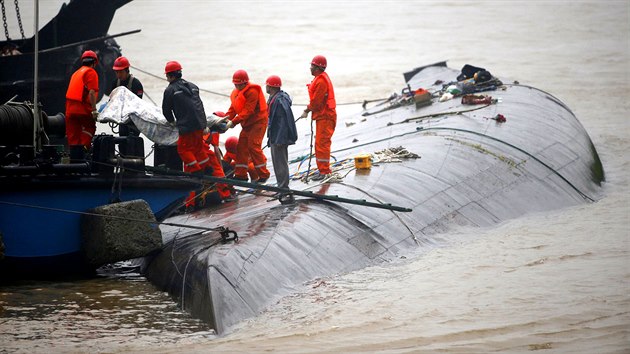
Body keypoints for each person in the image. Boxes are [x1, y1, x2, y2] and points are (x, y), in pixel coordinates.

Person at [161, 60, 210, 175]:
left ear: (170, 75)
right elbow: (199, 106)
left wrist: (172, 122)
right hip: (199, 123)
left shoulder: (170, 90)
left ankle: (197, 170)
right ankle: (207, 168)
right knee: (198, 148)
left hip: (186, 126)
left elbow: (166, 110)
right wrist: (204, 125)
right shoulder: (193, 86)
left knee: (183, 150)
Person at [224, 69, 271, 183]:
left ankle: (264, 174)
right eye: (236, 85)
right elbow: (233, 109)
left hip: (258, 123)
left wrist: (234, 122)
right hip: (247, 124)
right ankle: (241, 175)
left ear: (245, 83)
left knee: (253, 147)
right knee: (241, 147)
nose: (238, 87)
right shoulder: (236, 93)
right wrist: (224, 119)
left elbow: (248, 110)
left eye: (239, 85)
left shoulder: (252, 91)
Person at [298, 55, 337, 181]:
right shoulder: (319, 79)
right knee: (319, 143)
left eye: (312, 66)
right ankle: (322, 169)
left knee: (322, 144)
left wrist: (307, 110)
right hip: (323, 116)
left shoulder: (321, 81)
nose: (310, 68)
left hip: (326, 116)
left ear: (318, 67)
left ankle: (324, 171)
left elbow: (317, 102)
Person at [265, 75, 297, 202]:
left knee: (280, 164)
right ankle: (281, 188)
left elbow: (284, 121)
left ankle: (284, 189)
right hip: (276, 136)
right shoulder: (275, 98)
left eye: (267, 85)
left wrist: (279, 139)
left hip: (279, 138)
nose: (265, 87)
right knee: (278, 163)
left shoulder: (279, 101)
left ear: (271, 86)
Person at [65, 50, 99, 149]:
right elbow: (92, 92)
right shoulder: (91, 72)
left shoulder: (75, 73)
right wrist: (94, 110)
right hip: (82, 108)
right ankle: (83, 151)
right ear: (94, 63)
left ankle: (74, 158)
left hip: (69, 110)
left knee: (73, 134)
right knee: (90, 127)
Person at [106, 56, 144, 136]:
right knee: (122, 143)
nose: (118, 74)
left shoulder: (136, 84)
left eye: (121, 72)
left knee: (132, 144)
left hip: (134, 122)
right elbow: (112, 102)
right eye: (117, 72)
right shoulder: (115, 83)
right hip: (122, 121)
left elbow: (139, 105)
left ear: (127, 70)